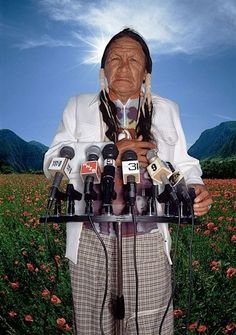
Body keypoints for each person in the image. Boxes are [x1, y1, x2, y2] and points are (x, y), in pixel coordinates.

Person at [44, 28, 213, 335]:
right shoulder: (78, 105)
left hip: (148, 235)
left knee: (150, 325)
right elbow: (53, 160)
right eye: (114, 59)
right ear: (102, 69)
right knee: (93, 323)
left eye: (133, 59)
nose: (123, 66)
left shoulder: (166, 109)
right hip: (90, 236)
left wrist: (196, 186)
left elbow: (185, 163)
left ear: (146, 73)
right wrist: (112, 154)